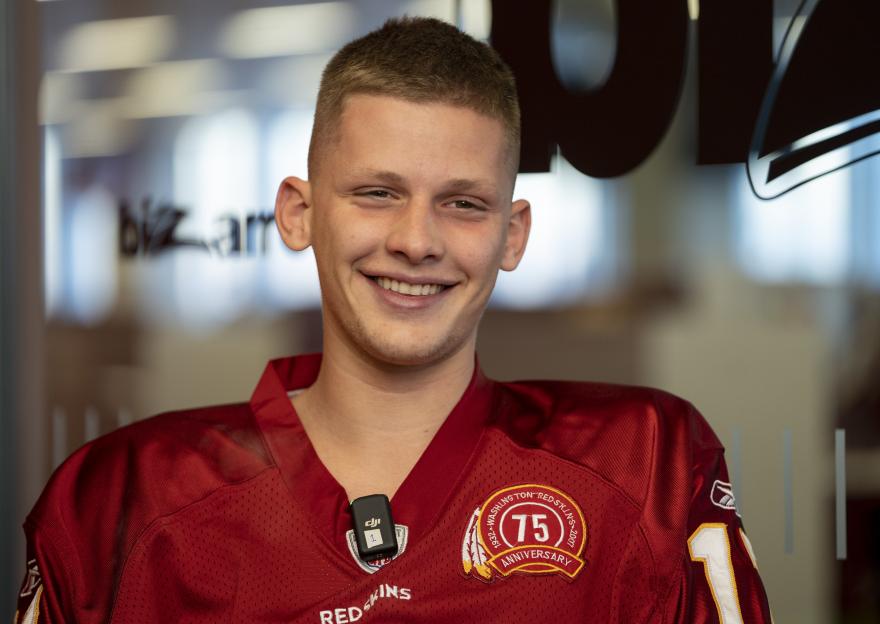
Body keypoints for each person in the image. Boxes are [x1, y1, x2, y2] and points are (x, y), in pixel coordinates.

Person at [16, 16, 772, 623]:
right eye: (377, 193)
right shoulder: (120, 504)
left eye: (463, 203)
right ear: (299, 213)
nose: (416, 241)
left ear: (513, 236)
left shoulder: (644, 469)